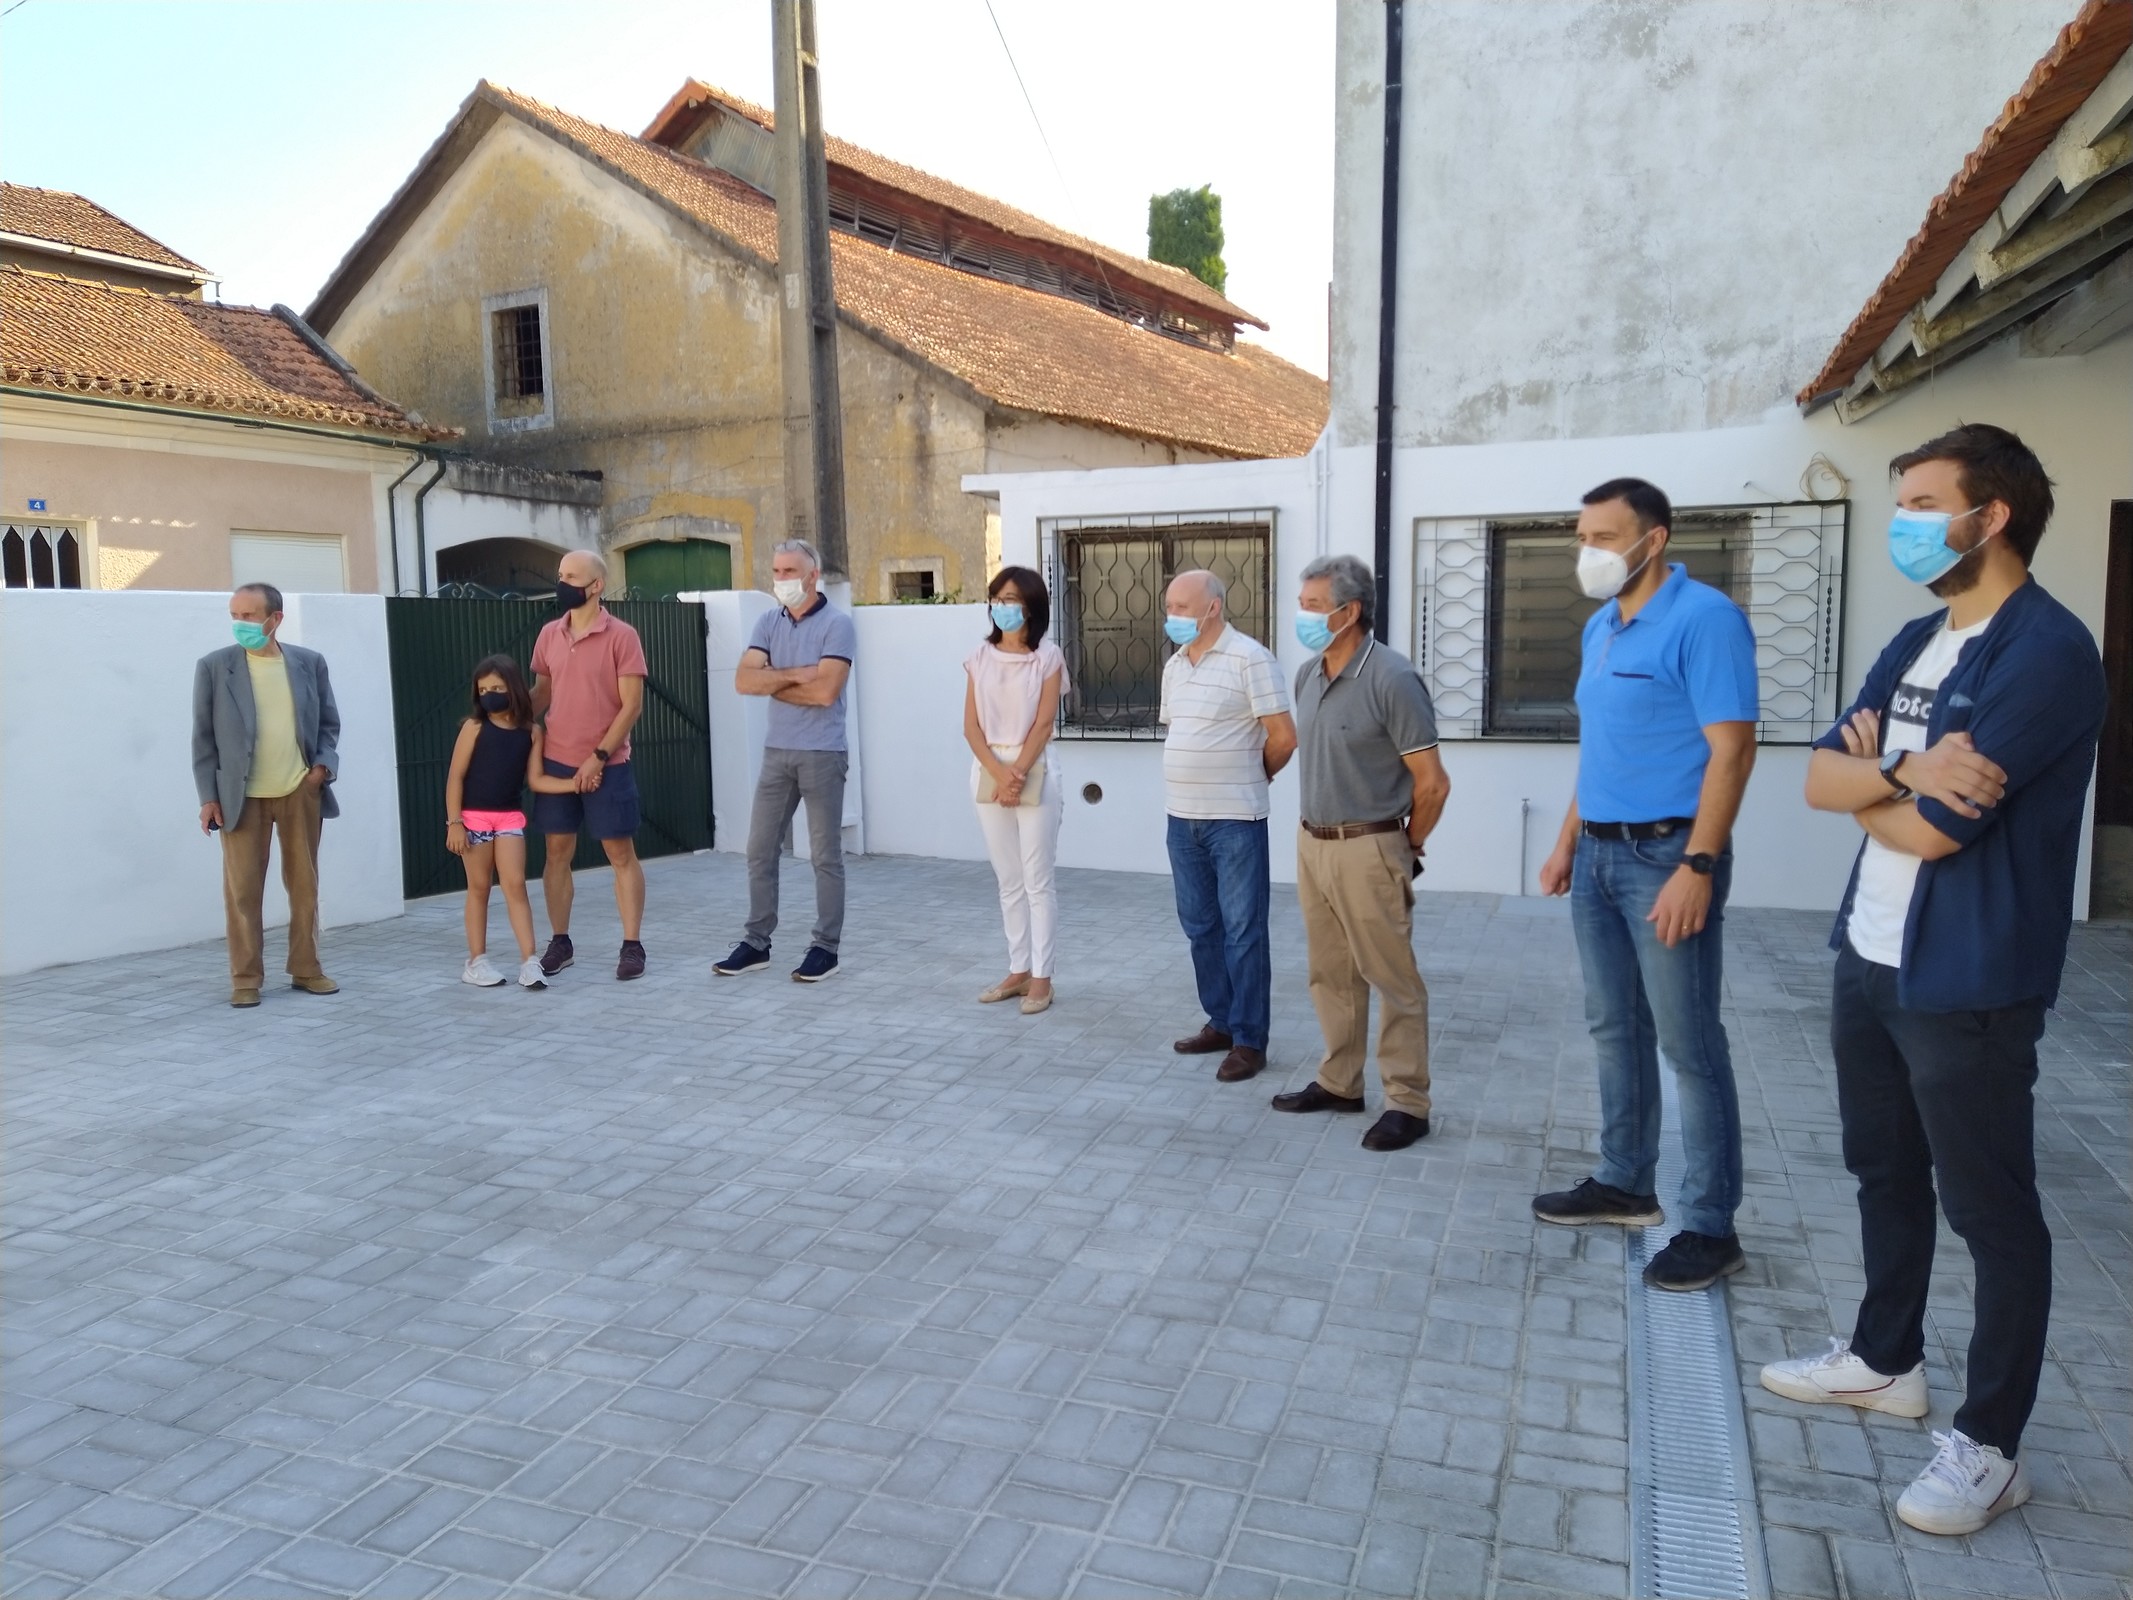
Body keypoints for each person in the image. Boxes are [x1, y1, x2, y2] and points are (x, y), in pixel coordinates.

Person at [1765, 425, 2106, 1536]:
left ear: (1989, 516)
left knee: (1991, 1211)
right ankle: (1884, 1359)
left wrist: (1878, 787)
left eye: (1921, 503)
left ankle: (1991, 1446)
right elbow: (1818, 777)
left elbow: (1941, 832)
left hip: (1969, 980)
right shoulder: (1921, 637)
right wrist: (1903, 771)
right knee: (1882, 1168)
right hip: (1869, 956)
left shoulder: (2046, 652)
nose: (1904, 522)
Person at [1530, 478, 1759, 1293]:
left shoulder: (1705, 620)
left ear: (1652, 539)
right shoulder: (1601, 625)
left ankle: (1710, 1226)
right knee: (1612, 1027)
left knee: (1689, 1046)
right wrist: (1566, 843)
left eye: (1603, 536)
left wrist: (1698, 865)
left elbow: (1732, 751)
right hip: (1597, 856)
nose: (1587, 551)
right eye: (1581, 536)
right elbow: (1600, 748)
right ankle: (1625, 1182)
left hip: (1668, 856)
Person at [1272, 554, 1450, 1152]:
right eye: (1302, 604)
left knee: (1392, 977)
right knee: (1331, 972)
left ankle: (1407, 1103)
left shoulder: (1392, 678)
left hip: (1369, 844)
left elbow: (1433, 784)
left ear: (1349, 613)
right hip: (1313, 842)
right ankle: (1340, 1082)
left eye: (1313, 606)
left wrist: (1409, 845)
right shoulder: (1308, 674)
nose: (1302, 615)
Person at [1160, 569, 1296, 1081]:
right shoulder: (1176, 665)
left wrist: (1255, 774)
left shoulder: (1250, 658)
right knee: (1200, 927)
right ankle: (1220, 1021)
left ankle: (1249, 1040)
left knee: (1243, 931)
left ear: (1212, 607)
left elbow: (1283, 736)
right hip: (1181, 819)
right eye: (1169, 607)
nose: (1171, 616)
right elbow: (1182, 731)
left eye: (1181, 607)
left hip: (1236, 820)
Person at [191, 583, 341, 1008]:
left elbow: (329, 724)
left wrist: (321, 768)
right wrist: (208, 797)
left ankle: (307, 969)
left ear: (275, 619)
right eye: (234, 615)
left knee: (304, 887)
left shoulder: (309, 663)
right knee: (242, 892)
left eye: (249, 616)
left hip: (299, 791)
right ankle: (245, 978)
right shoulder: (215, 667)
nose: (240, 624)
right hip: (240, 798)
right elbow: (203, 738)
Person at [715, 539, 857, 983]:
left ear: (813, 576)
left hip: (823, 752)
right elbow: (744, 681)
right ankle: (756, 943)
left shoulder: (838, 625)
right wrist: (798, 673)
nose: (781, 579)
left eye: (790, 571)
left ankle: (825, 948)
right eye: (776, 571)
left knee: (825, 856)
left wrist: (772, 681)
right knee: (759, 850)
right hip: (777, 752)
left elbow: (826, 692)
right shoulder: (768, 622)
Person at [530, 549, 648, 981]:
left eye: (571, 577)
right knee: (556, 854)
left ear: (596, 585)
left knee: (620, 854)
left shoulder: (622, 636)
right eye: (560, 574)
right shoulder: (549, 634)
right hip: (556, 762)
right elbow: (542, 693)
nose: (562, 583)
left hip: (608, 765)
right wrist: (504, 721)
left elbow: (631, 706)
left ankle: (632, 946)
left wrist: (598, 757)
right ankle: (560, 943)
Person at [963, 567, 1069, 1014]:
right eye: (996, 598)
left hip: (1035, 769)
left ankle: (1042, 976)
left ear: (1031, 606)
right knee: (1008, 879)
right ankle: (1018, 968)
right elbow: (971, 726)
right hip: (990, 769)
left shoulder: (1047, 656)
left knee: (1037, 880)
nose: (1001, 607)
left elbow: (1043, 723)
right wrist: (999, 774)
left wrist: (1017, 773)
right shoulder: (979, 657)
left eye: (1010, 599)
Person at [446, 655, 578, 990]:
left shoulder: (531, 732)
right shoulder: (473, 728)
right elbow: (455, 777)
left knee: (515, 885)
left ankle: (529, 961)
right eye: (483, 690)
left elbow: (536, 779)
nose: (489, 695)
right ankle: (476, 962)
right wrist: (455, 823)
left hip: (509, 818)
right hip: (473, 819)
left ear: (514, 688)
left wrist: (573, 784)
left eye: (497, 688)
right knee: (479, 887)